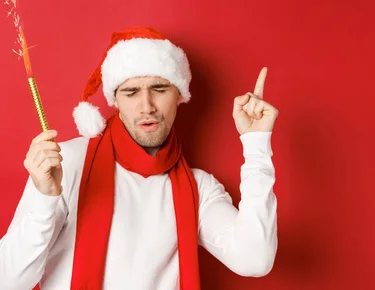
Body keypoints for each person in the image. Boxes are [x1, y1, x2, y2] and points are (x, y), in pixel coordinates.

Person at [0, 26, 278, 289]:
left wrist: (256, 145)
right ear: (115, 101)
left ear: (179, 95)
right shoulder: (67, 163)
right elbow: (9, 281)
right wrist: (44, 198)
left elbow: (254, 259)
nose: (147, 106)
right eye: (131, 92)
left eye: (159, 89)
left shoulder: (198, 188)